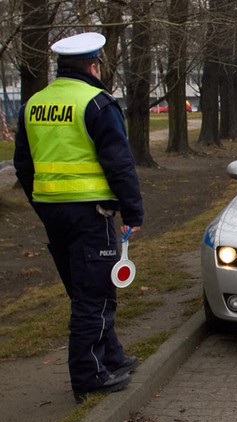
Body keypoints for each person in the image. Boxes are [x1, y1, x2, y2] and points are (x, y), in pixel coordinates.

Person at [13, 32, 143, 402]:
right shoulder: (96, 102)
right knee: (95, 295)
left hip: (54, 214)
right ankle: (89, 375)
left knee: (85, 290)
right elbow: (119, 164)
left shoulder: (34, 104)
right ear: (93, 65)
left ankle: (112, 357)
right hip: (91, 212)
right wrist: (133, 212)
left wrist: (43, 204)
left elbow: (24, 164)